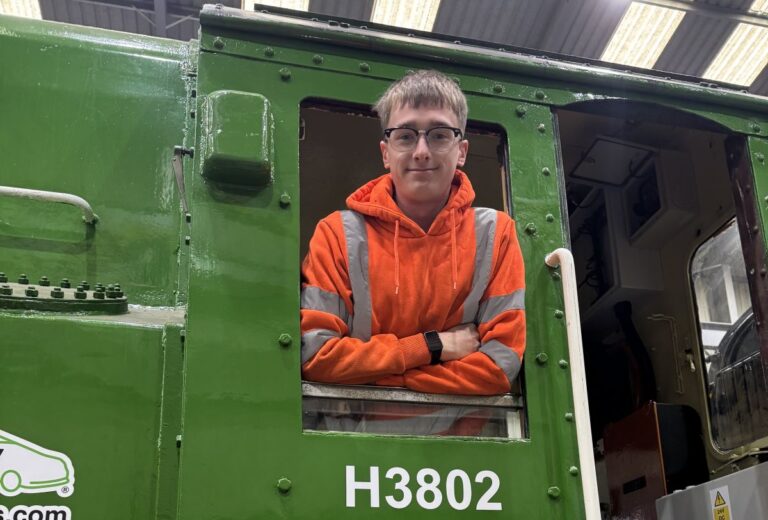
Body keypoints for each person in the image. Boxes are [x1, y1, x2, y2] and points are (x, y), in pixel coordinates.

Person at [300, 70, 525, 402]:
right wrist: (433, 346)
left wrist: (376, 376)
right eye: (405, 136)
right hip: (351, 446)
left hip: (469, 450)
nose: (421, 150)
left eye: (439, 135)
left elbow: (499, 367)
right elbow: (316, 357)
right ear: (385, 152)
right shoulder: (337, 234)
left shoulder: (496, 234)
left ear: (461, 150)